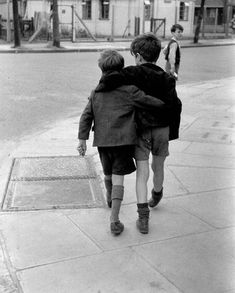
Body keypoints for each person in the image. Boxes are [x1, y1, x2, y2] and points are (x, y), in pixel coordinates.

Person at [77, 49, 167, 236]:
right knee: (119, 179)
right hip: (123, 144)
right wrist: (164, 104)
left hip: (102, 143)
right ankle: (114, 221)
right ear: (121, 68)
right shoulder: (129, 91)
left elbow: (86, 116)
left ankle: (110, 196)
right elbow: (151, 102)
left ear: (101, 69)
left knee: (108, 173)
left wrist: (82, 140)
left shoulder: (95, 93)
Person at [121, 33, 181, 234]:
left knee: (142, 171)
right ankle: (157, 193)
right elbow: (175, 105)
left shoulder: (131, 73)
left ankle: (143, 218)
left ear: (138, 56)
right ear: (156, 55)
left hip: (141, 129)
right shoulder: (167, 78)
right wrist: (172, 130)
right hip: (162, 128)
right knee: (159, 165)